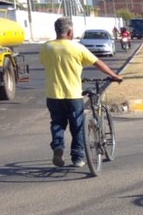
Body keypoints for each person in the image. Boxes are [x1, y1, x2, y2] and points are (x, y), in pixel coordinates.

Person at [39, 17, 123, 168]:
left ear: (56, 31)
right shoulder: (77, 48)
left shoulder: (46, 47)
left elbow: (45, 63)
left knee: (57, 124)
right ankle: (77, 158)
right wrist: (114, 76)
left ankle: (58, 147)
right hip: (73, 95)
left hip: (53, 95)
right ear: (70, 32)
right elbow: (97, 63)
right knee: (77, 126)